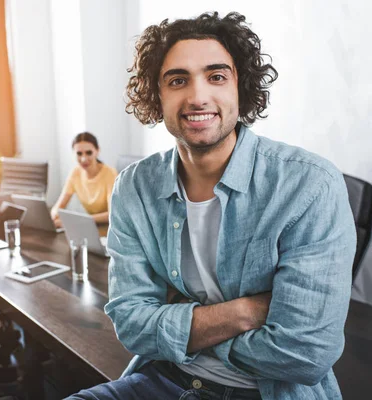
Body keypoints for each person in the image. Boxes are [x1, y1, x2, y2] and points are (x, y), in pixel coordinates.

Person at [69, 11, 356, 400]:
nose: (197, 96)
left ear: (242, 86)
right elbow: (133, 327)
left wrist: (177, 323)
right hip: (164, 379)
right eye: (177, 80)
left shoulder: (308, 184)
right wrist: (244, 313)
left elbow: (303, 355)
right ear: (157, 95)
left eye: (216, 76)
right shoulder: (134, 187)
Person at [50, 132, 118, 233]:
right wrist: (55, 215)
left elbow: (112, 214)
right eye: (79, 153)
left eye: (89, 153)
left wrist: (78, 221)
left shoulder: (110, 174)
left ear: (97, 151)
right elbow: (58, 207)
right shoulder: (75, 173)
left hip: (110, 229)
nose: (83, 159)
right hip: (90, 227)